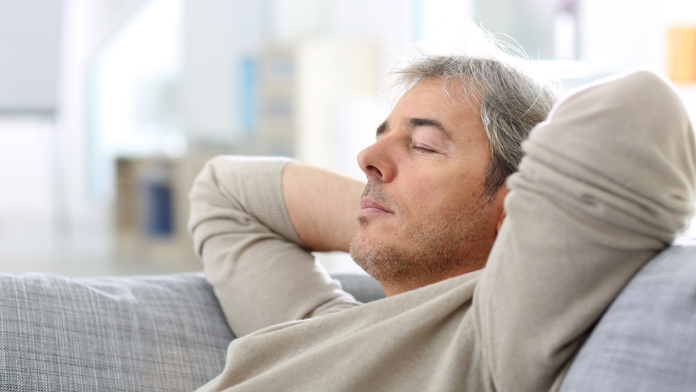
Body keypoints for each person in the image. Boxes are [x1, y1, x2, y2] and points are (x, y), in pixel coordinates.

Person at [188, 54, 696, 390]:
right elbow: (224, 193)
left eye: (424, 145)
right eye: (380, 137)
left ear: (515, 205)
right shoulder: (320, 326)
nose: (367, 156)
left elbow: (639, 108)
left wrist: (501, 226)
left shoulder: (497, 333)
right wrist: (387, 212)